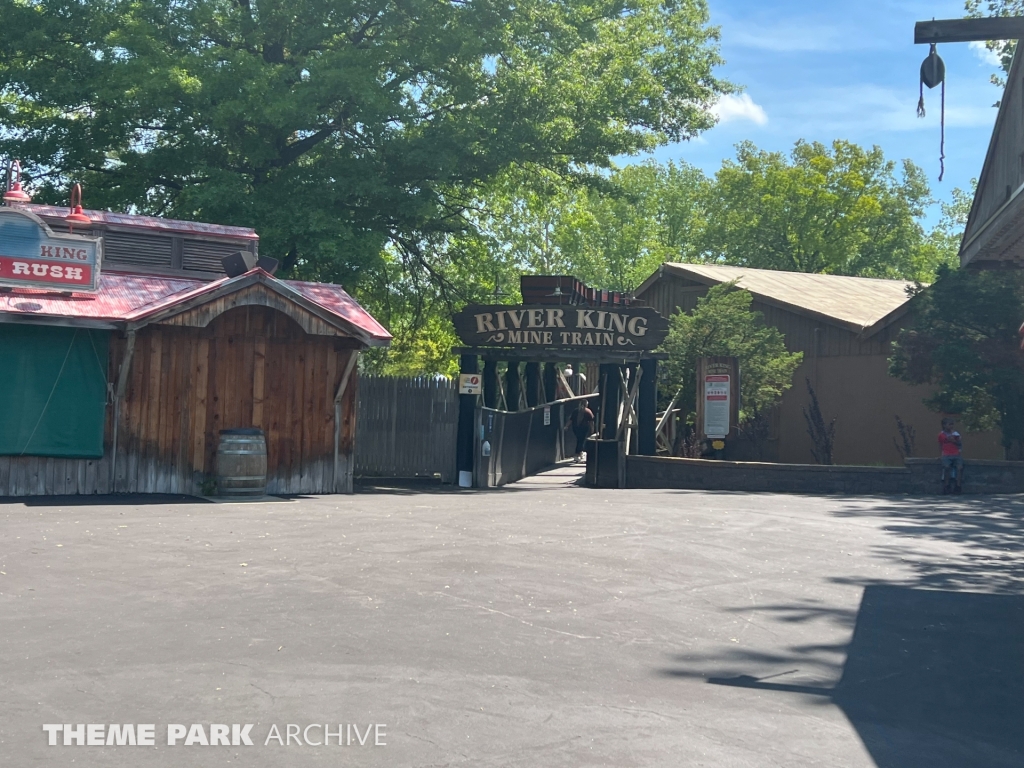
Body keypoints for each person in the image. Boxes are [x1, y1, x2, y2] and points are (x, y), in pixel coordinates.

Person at [938, 417, 964, 494]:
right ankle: (946, 486)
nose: (951, 426)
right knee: (947, 467)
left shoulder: (956, 434)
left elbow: (960, 444)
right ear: (944, 425)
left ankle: (958, 486)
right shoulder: (941, 435)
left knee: (959, 468)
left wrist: (955, 441)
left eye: (952, 424)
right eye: (949, 424)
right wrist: (941, 454)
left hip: (956, 454)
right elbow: (940, 444)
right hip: (946, 454)